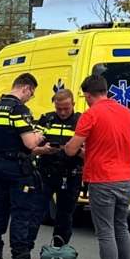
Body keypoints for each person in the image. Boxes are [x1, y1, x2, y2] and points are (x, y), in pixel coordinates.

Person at [64, 74, 130, 259]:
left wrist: (79, 150)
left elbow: (71, 150)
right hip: (126, 179)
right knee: (121, 228)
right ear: (105, 91)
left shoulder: (90, 115)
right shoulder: (127, 113)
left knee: (105, 231)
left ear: (88, 95)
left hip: (102, 180)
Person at [0, 73, 45, 259]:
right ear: (26, 88)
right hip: (17, 167)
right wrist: (38, 136)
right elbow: (30, 143)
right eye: (31, 94)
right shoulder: (19, 110)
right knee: (21, 212)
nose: (30, 98)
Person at [30, 88, 84, 247]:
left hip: (70, 175)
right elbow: (31, 146)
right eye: (59, 108)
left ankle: (59, 251)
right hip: (46, 173)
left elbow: (90, 152)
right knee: (34, 212)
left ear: (73, 104)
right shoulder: (46, 120)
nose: (62, 112)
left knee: (65, 216)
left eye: (66, 108)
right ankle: (23, 252)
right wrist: (42, 149)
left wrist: (74, 150)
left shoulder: (81, 122)